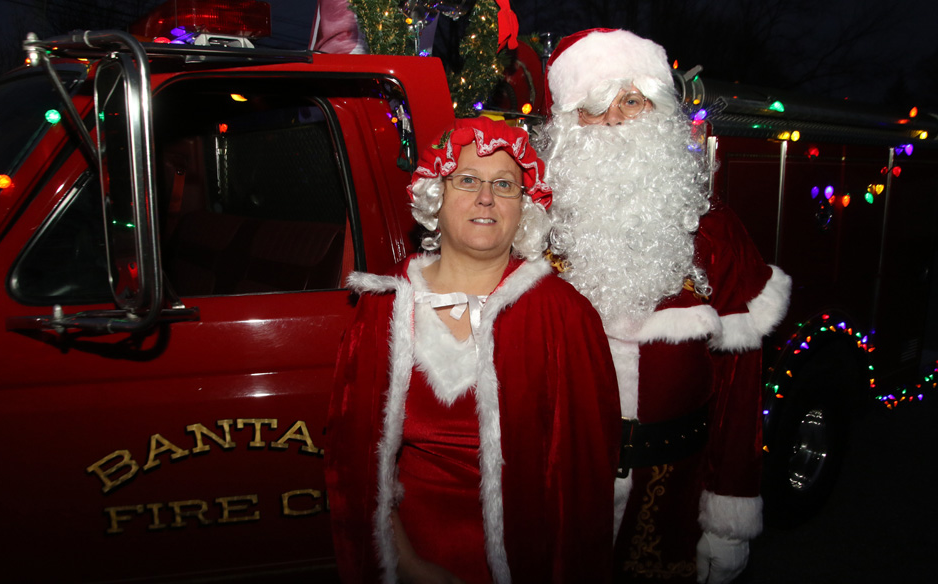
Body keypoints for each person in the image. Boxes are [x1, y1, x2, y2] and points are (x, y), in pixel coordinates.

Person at [539, 29, 792, 584]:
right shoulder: (531, 232)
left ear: (660, 112)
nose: (615, 122)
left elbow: (741, 392)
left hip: (674, 491)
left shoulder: (717, 235)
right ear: (565, 127)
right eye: (593, 106)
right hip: (557, 491)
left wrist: (728, 520)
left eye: (632, 101)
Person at [324, 116, 621, 584]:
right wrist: (408, 565)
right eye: (467, 180)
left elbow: (585, 483)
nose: (486, 198)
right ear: (435, 197)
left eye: (504, 185)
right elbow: (352, 462)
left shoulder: (565, 317)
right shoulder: (383, 309)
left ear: (525, 208)